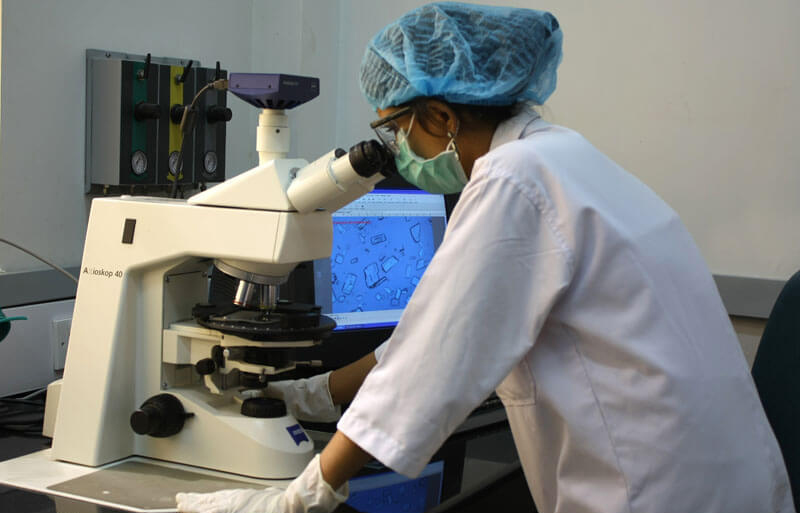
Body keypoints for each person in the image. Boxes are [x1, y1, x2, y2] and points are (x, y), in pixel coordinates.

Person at [177, 3, 795, 512]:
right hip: (732, 484)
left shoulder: (513, 179)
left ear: (442, 115)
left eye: (394, 129)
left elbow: (430, 361)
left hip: (652, 492)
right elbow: (430, 341)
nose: (395, 147)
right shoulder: (564, 158)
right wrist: (308, 394)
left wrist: (296, 499)